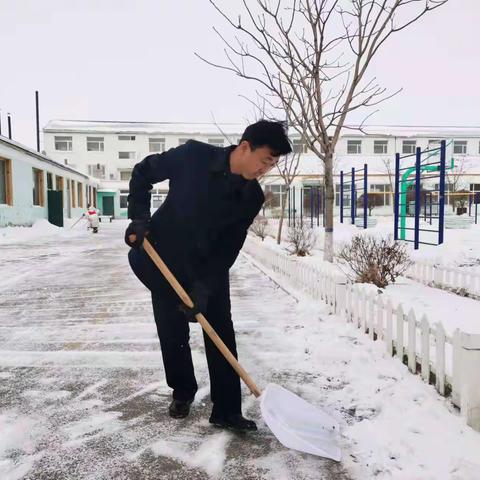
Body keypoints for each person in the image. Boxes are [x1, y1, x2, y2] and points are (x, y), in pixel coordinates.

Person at [125, 120, 291, 431]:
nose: (266, 170)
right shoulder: (193, 156)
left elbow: (228, 247)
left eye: (273, 164)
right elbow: (143, 173)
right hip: (164, 257)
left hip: (208, 266)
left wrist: (203, 289)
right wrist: (139, 218)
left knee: (220, 331)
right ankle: (183, 391)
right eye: (265, 160)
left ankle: (227, 410)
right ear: (245, 147)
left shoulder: (252, 197)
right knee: (172, 329)